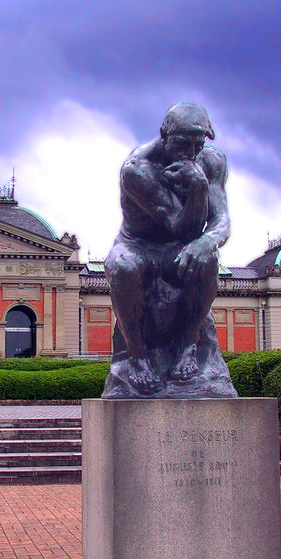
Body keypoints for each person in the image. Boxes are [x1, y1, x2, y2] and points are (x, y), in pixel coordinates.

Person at [104, 103, 235, 398]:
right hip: (138, 246)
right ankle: (137, 358)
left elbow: (221, 220)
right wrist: (198, 190)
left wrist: (207, 241)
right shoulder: (137, 168)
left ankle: (188, 348)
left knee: (208, 258)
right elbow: (179, 226)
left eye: (197, 143)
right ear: (164, 134)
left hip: (180, 248)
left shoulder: (212, 162)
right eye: (181, 143)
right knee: (124, 266)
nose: (190, 151)